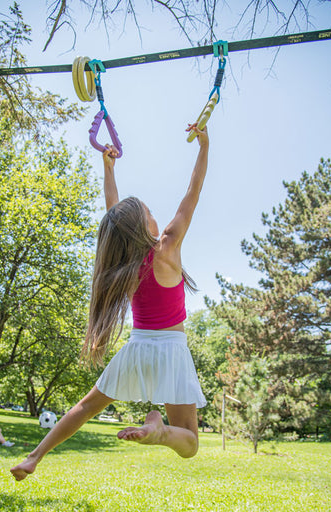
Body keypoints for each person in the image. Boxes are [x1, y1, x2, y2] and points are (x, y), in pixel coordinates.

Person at [11, 124, 209, 482]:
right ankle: (161, 433)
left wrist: (109, 169)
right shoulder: (168, 246)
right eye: (149, 211)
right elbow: (192, 192)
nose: (155, 214)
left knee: (87, 406)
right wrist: (204, 146)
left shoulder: (123, 261)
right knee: (190, 444)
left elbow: (113, 214)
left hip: (138, 349)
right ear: (145, 225)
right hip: (172, 349)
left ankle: (33, 458)